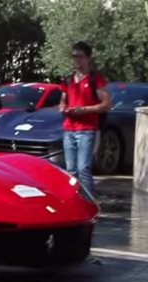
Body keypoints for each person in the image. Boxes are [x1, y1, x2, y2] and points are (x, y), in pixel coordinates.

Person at [59, 41, 112, 196]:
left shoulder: (96, 79)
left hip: (87, 129)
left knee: (83, 169)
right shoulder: (68, 80)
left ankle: (89, 202)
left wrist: (84, 110)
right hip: (69, 128)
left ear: (88, 58)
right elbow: (63, 99)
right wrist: (63, 107)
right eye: (74, 56)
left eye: (79, 56)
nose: (76, 60)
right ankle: (73, 201)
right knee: (71, 170)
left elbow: (107, 104)